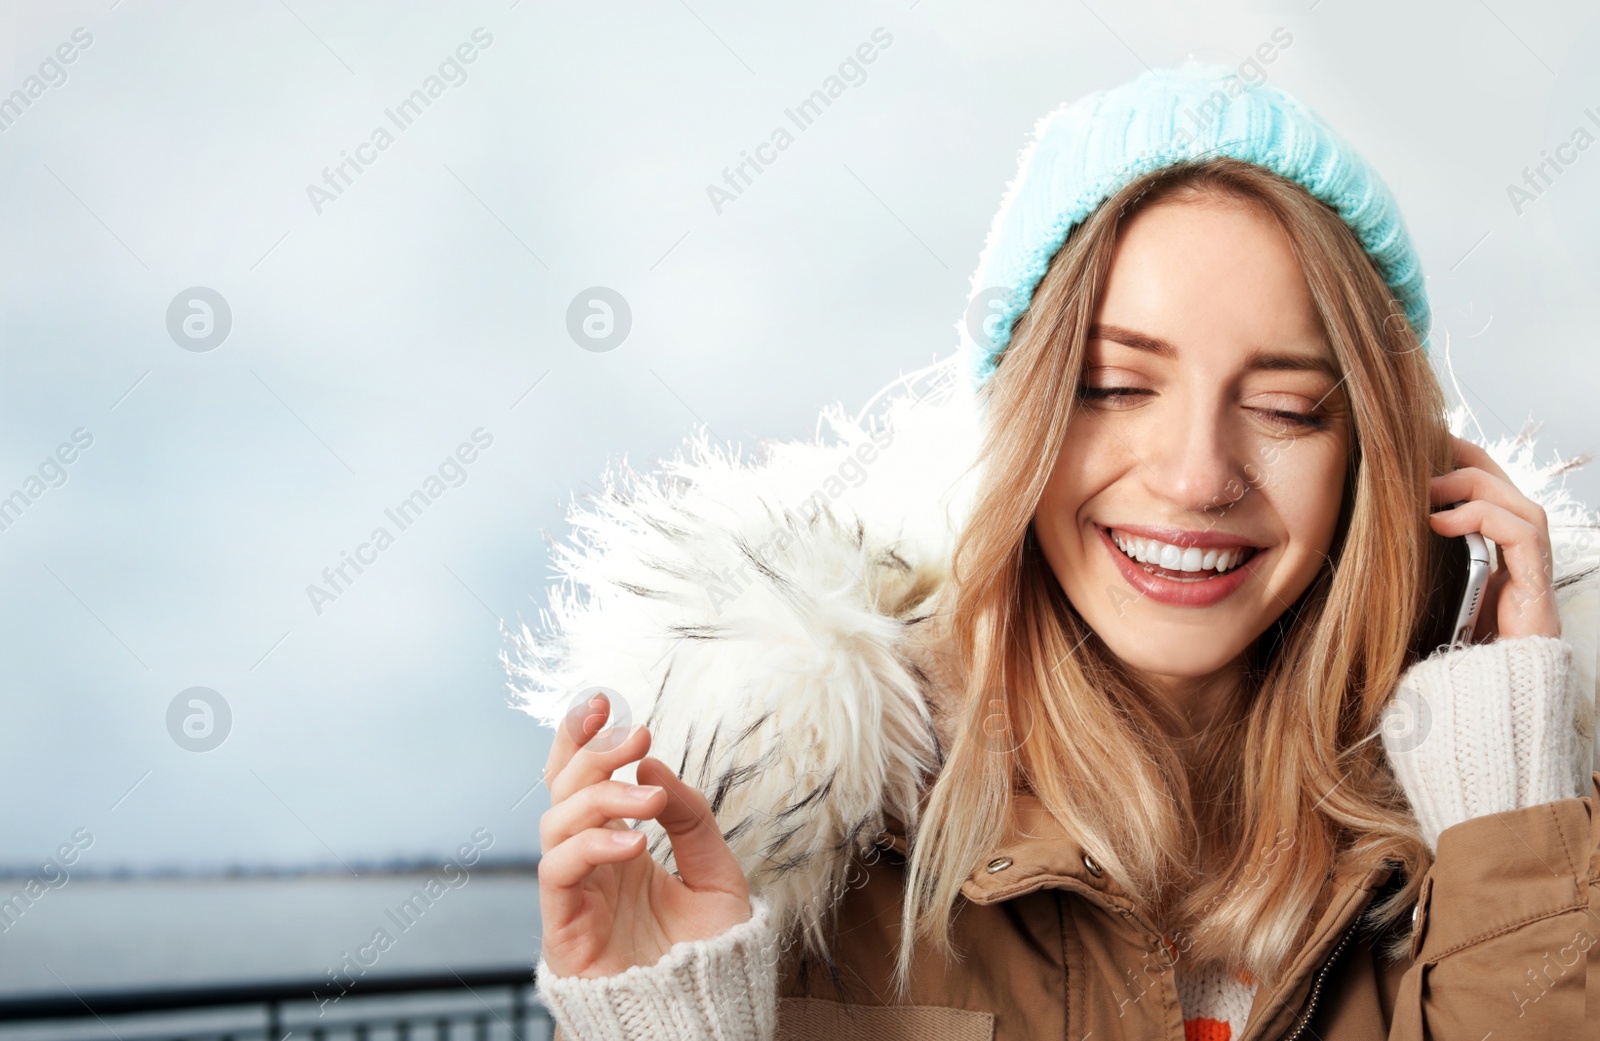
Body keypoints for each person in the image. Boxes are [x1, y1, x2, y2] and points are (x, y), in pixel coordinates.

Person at [512, 63, 1600, 1041]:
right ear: (1014, 422)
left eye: (1285, 406)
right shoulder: (790, 854)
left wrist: (1507, 813)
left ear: (1378, 461)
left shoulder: (1513, 832)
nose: (1195, 476)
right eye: (1114, 389)